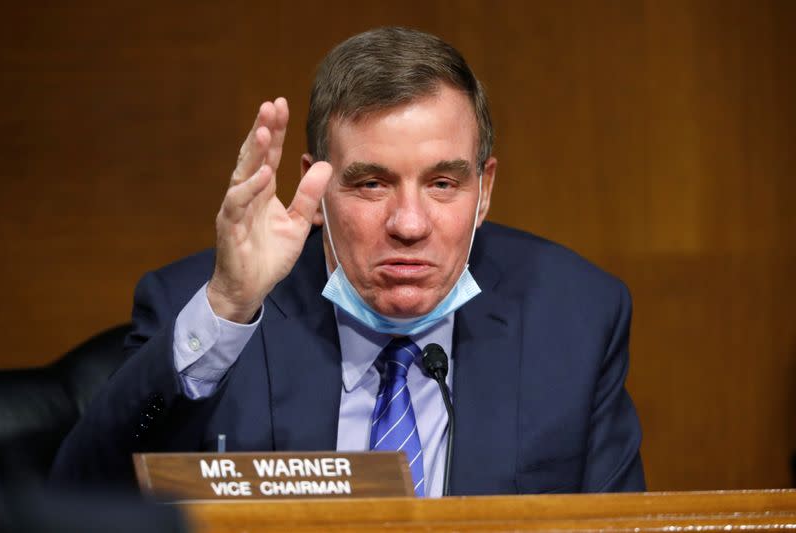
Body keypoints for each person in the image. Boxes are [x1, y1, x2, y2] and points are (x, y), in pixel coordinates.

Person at [51, 27, 645, 496]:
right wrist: (228, 307)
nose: (409, 224)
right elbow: (79, 494)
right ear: (316, 189)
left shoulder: (575, 316)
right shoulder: (208, 304)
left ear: (484, 191)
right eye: (370, 184)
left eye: (443, 183)